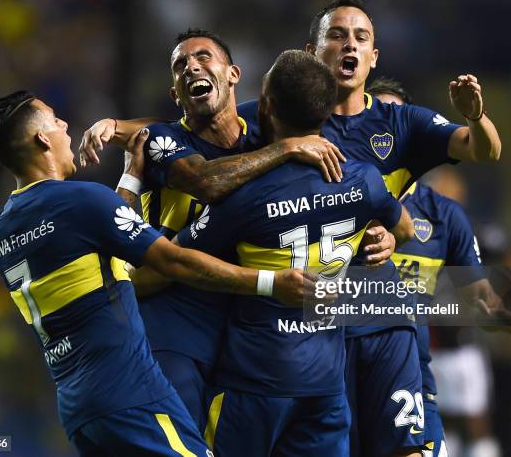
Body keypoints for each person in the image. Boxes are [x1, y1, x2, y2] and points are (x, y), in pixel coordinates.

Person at [0, 90, 312, 456]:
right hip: (130, 390)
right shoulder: (79, 200)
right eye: (56, 120)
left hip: (80, 408)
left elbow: (104, 245)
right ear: (42, 138)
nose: (65, 125)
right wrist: (271, 283)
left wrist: (131, 176)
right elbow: (171, 261)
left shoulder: (4, 228)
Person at [79, 28, 370, 431]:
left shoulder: (261, 125)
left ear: (233, 74)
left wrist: (380, 229)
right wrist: (285, 148)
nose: (191, 67)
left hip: (240, 328)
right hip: (173, 319)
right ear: (176, 96)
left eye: (202, 57)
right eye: (180, 65)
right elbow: (206, 183)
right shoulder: (168, 140)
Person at [171, 50, 414, 456]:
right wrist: (381, 237)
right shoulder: (365, 180)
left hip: (254, 384)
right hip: (323, 387)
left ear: (266, 107)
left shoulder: (244, 196)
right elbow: (403, 228)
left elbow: (176, 261)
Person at [369, 77, 511, 457]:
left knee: (465, 427)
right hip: (335, 365)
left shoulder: (444, 215)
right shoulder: (329, 199)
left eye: (391, 117)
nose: (379, 126)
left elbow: (478, 296)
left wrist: (496, 312)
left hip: (416, 364)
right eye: (370, 115)